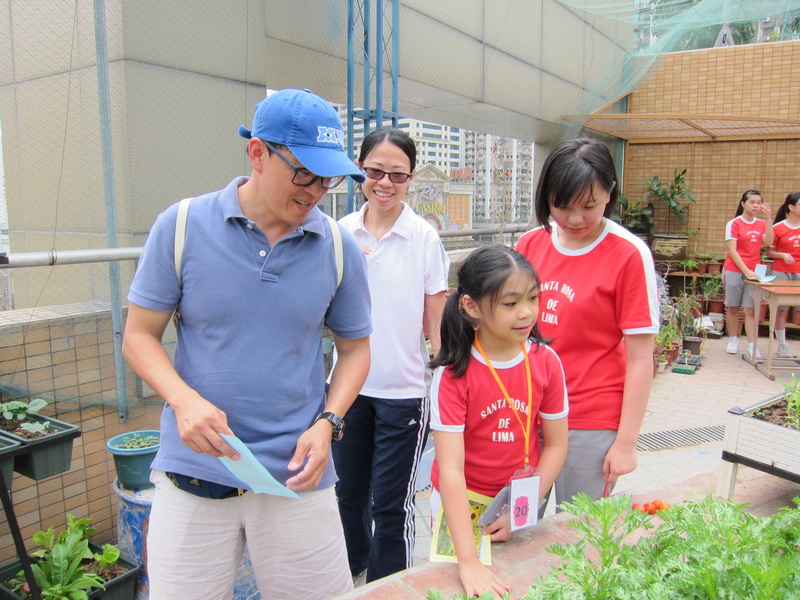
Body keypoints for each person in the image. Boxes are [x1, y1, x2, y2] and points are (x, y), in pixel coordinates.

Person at [121, 88, 372, 600]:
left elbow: (356, 350)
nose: (317, 191)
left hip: (298, 475)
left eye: (328, 178)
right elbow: (139, 335)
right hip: (194, 470)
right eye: (304, 173)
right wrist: (183, 400)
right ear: (258, 153)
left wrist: (328, 422)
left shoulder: (339, 247)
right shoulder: (182, 226)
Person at [331, 128, 450, 582]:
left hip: (403, 393)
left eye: (397, 175)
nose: (385, 183)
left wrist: (446, 385)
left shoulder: (423, 237)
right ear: (360, 171)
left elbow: (436, 322)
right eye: (375, 171)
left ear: (410, 178)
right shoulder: (340, 233)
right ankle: (352, 572)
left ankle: (391, 586)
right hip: (347, 391)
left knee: (390, 503)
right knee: (347, 495)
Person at [515, 137, 659, 507]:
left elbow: (640, 357)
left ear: (610, 192)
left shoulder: (628, 254)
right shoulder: (529, 245)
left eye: (589, 205)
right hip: (526, 412)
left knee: (580, 528)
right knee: (516, 525)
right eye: (562, 206)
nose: (575, 219)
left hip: (590, 419)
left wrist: (626, 443)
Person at [429, 245, 569, 598]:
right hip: (461, 504)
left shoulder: (546, 361)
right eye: (510, 303)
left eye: (533, 298)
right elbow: (451, 471)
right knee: (464, 588)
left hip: (520, 499)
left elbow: (556, 444)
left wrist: (523, 510)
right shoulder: (453, 375)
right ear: (471, 306)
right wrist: (467, 559)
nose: (526, 312)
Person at [722, 189, 774, 359]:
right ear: (743, 203)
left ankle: (752, 346)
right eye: (752, 202)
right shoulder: (734, 223)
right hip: (734, 269)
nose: (756, 205)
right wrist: (746, 271)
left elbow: (769, 241)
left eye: (759, 202)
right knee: (732, 306)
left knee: (750, 309)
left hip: (754, 271)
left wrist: (768, 219)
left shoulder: (761, 224)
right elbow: (732, 249)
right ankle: (733, 340)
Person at [766, 192, 800, 358]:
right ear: (791, 207)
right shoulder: (778, 227)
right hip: (782, 270)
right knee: (781, 309)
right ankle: (782, 344)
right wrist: (782, 255)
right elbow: (769, 252)